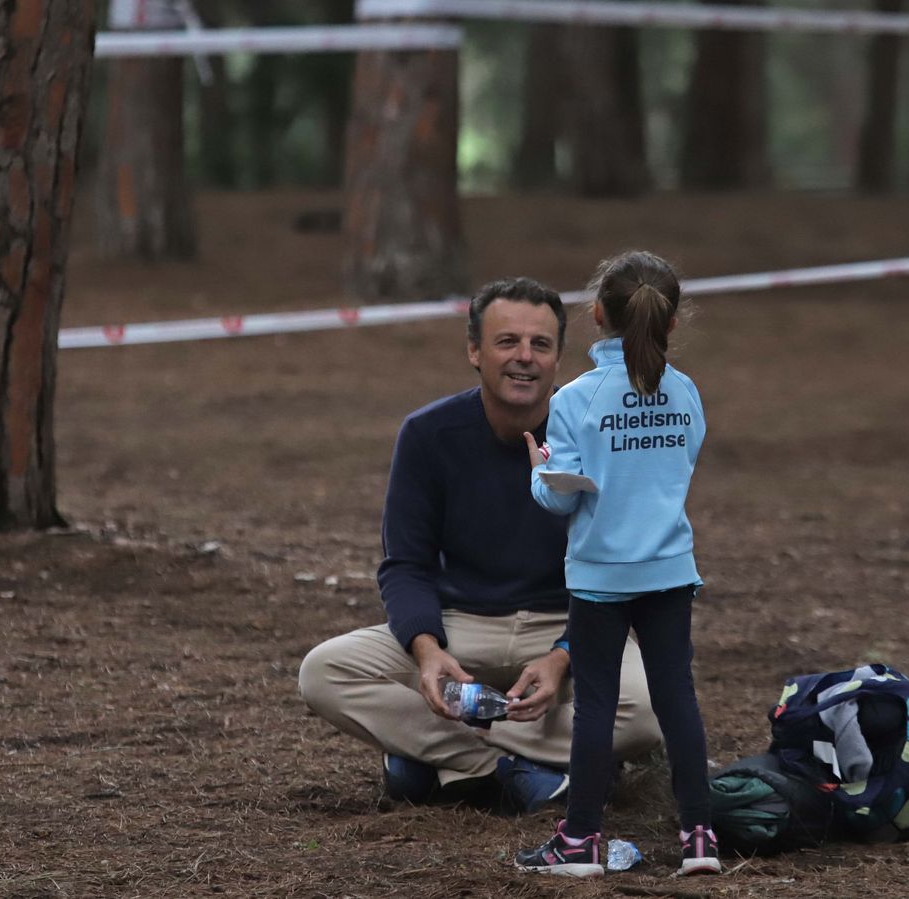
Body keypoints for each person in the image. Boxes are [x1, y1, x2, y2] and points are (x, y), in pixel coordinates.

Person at [297, 277, 663, 814]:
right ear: (474, 351)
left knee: (647, 711)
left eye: (540, 344)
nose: (524, 358)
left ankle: (434, 758)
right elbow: (405, 565)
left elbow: (617, 570)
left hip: (568, 623)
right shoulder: (427, 435)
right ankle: (516, 767)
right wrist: (427, 650)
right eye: (506, 342)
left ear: (559, 357)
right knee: (323, 672)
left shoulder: (597, 435)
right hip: (459, 625)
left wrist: (565, 655)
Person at [515, 251, 721, 877]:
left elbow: (559, 495)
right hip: (668, 570)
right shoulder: (684, 393)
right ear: (673, 321)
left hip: (601, 575)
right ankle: (700, 838)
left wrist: (538, 471)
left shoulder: (576, 398)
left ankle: (580, 842)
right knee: (676, 697)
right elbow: (681, 461)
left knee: (596, 706)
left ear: (597, 314)